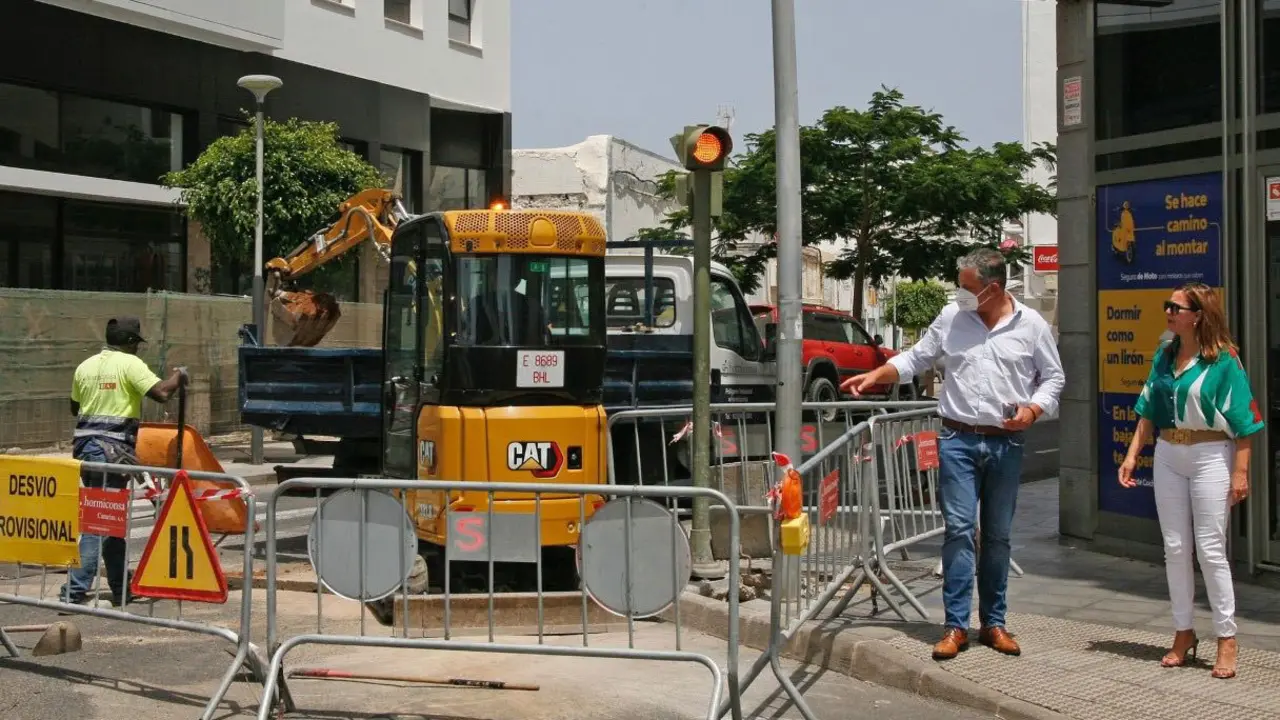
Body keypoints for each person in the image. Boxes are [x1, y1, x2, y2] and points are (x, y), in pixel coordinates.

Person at [842, 247, 1064, 660]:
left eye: (967, 287)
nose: (959, 294)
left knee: (997, 536)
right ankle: (955, 626)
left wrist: (1033, 409)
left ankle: (994, 623)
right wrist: (879, 373)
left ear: (993, 288)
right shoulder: (951, 318)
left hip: (1006, 442)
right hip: (957, 440)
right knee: (960, 530)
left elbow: (1053, 378)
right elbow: (915, 357)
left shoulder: (1030, 324)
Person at [1117, 282, 1261, 680]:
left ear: (1197, 315)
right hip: (1168, 453)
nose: (1168, 312)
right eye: (1168, 306)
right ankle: (1183, 632)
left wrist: (1241, 472)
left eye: (1175, 307)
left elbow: (1246, 423)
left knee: (1211, 549)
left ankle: (1226, 638)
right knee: (1175, 548)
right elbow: (1148, 410)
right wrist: (1132, 455)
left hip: (1211, 454)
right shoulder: (1164, 355)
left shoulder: (1224, 360)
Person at [59, 316, 185, 607]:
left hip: (88, 450)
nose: (139, 350)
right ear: (130, 343)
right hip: (110, 451)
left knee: (110, 522)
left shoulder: (85, 366)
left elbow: (74, 407)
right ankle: (74, 591)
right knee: (98, 522)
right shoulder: (130, 364)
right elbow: (162, 393)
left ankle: (121, 589)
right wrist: (179, 377)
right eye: (137, 344)